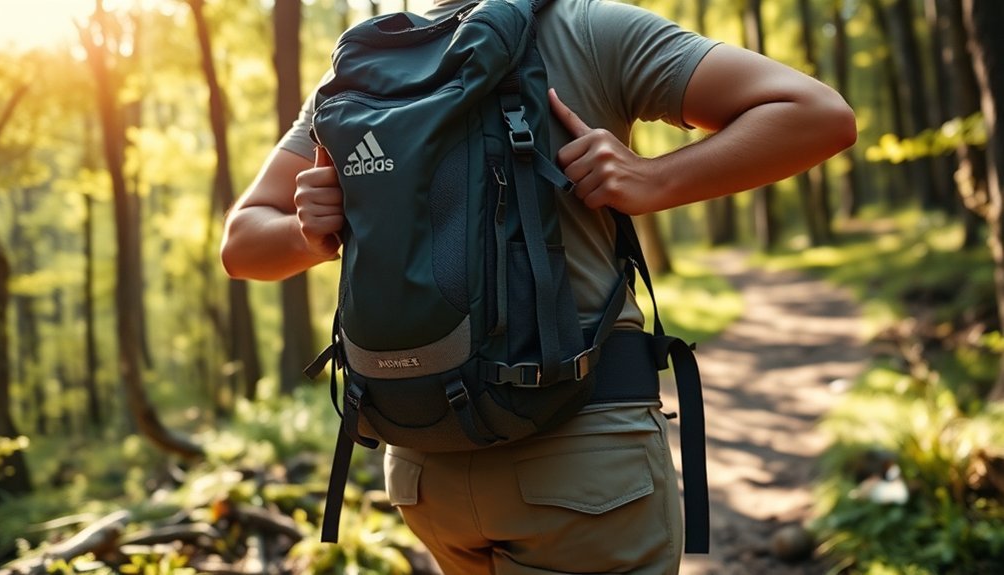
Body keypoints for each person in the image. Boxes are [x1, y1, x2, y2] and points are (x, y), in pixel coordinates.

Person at [221, 0, 857, 572]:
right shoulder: (589, 29)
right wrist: (653, 180)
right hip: (582, 464)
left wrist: (308, 237)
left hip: (423, 463)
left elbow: (243, 241)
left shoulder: (366, 70)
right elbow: (819, 115)